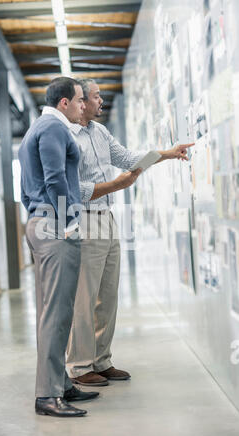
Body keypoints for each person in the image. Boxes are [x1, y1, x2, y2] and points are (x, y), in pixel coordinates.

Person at [66, 78, 194, 386]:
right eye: (96, 97)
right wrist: (115, 185)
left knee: (107, 294)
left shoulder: (100, 132)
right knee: (85, 297)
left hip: (107, 218)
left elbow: (126, 158)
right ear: (81, 101)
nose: (101, 101)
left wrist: (168, 153)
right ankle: (80, 366)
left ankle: (101, 359)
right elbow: (72, 187)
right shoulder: (65, 136)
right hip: (83, 219)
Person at [19, 77, 99, 418]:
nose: (84, 106)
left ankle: (61, 384)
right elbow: (54, 179)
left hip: (41, 222)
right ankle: (48, 396)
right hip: (55, 227)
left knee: (55, 311)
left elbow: (27, 191)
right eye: (80, 100)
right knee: (56, 314)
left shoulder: (35, 128)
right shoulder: (54, 128)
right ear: (64, 102)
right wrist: (67, 224)